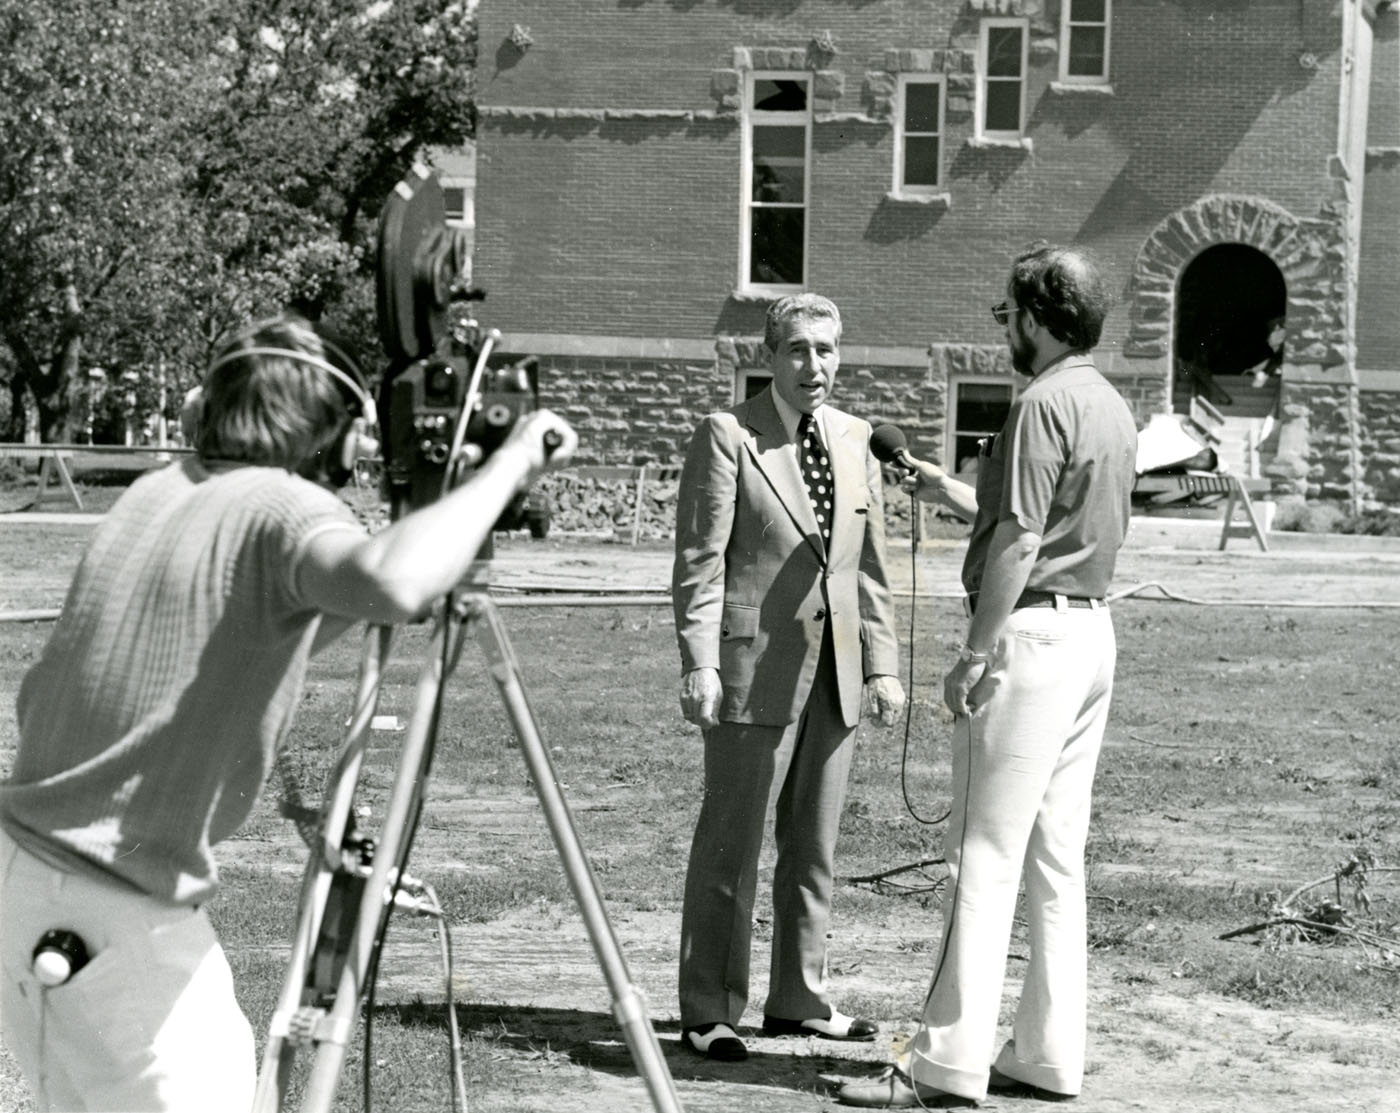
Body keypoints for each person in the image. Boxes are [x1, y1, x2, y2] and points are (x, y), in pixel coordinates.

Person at [0, 314, 577, 1112]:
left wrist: (420, 550)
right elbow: (395, 581)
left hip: (28, 882)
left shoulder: (159, 491)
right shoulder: (281, 506)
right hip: (112, 905)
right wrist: (513, 462)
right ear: (329, 436)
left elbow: (265, 627)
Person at [838, 244, 1138, 1108]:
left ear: (1039, 317)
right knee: (1054, 859)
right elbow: (1041, 517)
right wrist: (946, 489)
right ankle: (1045, 1055)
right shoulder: (1107, 400)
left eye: (1008, 314)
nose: (1005, 329)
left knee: (981, 852)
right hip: (1089, 633)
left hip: (1030, 639)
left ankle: (942, 1063)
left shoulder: (1041, 402)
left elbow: (1021, 537)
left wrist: (974, 651)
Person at [672, 293, 906, 1062]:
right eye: (799, 349)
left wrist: (882, 663)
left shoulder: (857, 438)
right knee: (731, 846)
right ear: (770, 355)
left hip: (836, 673)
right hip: (750, 669)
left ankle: (799, 998)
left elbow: (868, 567)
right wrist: (701, 660)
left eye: (826, 349)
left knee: (815, 845)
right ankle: (710, 1007)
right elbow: (700, 560)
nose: (814, 365)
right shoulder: (729, 434)